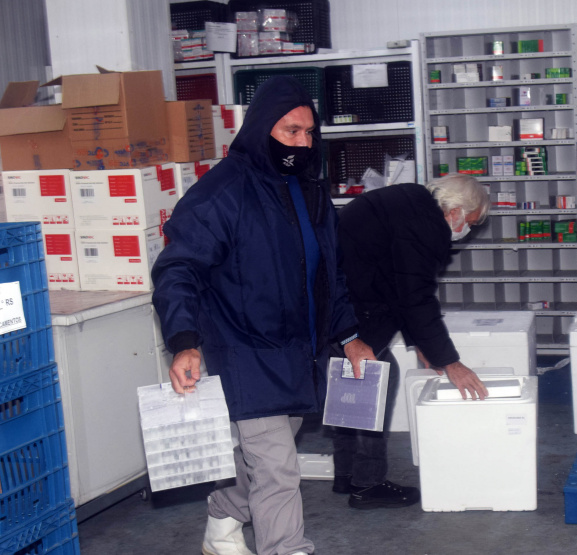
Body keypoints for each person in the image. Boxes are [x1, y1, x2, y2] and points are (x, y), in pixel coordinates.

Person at [152, 76, 374, 555]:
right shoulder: (222, 192)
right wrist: (184, 339)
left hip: (299, 352)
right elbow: (178, 269)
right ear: (260, 129)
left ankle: (221, 527)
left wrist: (349, 333)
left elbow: (328, 273)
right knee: (277, 467)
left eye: (309, 133)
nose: (302, 143)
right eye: (290, 132)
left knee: (253, 454)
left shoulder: (309, 190)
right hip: (243, 349)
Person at [331, 174, 491, 510]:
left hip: (345, 297)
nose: (468, 231)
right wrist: (450, 362)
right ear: (457, 212)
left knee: (349, 380)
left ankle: (346, 474)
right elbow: (416, 297)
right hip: (353, 300)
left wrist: (422, 342)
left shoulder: (413, 200)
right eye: (471, 224)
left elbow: (397, 282)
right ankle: (367, 484)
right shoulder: (426, 227)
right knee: (374, 381)